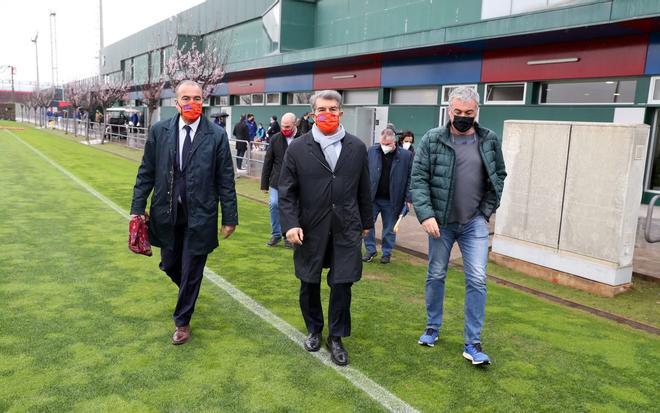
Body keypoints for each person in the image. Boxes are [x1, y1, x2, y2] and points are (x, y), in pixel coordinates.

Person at [130, 80, 238, 345]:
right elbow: (146, 171)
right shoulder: (159, 131)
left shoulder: (216, 135)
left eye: (198, 98)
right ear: (176, 102)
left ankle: (182, 321)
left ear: (204, 101)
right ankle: (188, 293)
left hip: (201, 214)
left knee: (192, 269)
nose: (192, 103)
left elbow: (225, 178)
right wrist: (136, 207)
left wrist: (230, 217)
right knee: (169, 264)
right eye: (186, 98)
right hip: (166, 213)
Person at [411, 86, 506, 365]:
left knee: (477, 279)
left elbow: (499, 174)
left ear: (477, 112)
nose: (463, 116)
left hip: (473, 223)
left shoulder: (489, 140)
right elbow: (418, 179)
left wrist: (486, 210)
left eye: (469, 112)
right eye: (458, 112)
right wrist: (426, 214)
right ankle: (432, 327)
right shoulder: (431, 139)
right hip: (440, 223)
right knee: (436, 273)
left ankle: (473, 342)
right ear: (449, 110)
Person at [278, 90, 373, 366]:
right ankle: (314, 329)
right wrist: (290, 224)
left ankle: (336, 337)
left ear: (340, 112)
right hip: (309, 227)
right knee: (309, 281)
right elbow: (287, 191)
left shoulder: (356, 147)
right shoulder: (297, 148)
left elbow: (364, 188)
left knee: (342, 283)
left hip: (346, 227)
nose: (328, 114)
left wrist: (366, 222)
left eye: (333, 109)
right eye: (322, 109)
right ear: (312, 113)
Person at [362, 128, 413, 264]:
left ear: (394, 142)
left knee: (389, 228)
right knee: (367, 225)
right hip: (372, 197)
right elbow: (364, 172)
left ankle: (386, 252)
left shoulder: (406, 156)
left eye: (388, 144)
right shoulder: (372, 151)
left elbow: (410, 178)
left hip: (392, 199)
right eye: (382, 144)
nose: (384, 147)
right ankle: (370, 250)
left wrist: (409, 198)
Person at [260, 112, 300, 248]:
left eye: (288, 127)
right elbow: (268, 161)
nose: (284, 129)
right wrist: (264, 184)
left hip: (297, 183)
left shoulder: (304, 138)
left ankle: (289, 235)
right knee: (274, 204)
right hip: (277, 181)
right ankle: (276, 234)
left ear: (295, 125)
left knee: (293, 209)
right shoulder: (275, 139)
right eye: (283, 126)